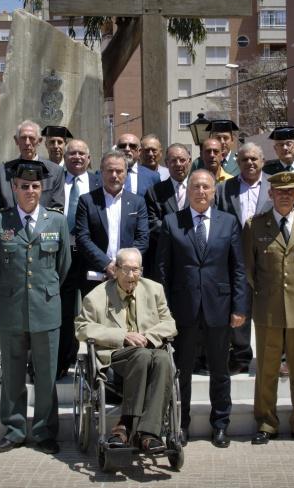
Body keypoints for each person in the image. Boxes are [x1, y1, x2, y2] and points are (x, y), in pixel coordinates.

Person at [0, 161, 72, 455]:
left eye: (35, 186)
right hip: (11, 308)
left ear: (42, 188)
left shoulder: (56, 221)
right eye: (24, 186)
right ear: (14, 188)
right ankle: (14, 429)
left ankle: (45, 431)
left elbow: (63, 265)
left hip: (46, 308)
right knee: (12, 373)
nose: (30, 191)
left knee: (46, 375)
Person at [156, 169, 248, 448]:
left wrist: (239, 307)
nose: (201, 191)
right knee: (181, 372)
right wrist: (164, 311)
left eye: (206, 187)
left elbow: (238, 269)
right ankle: (179, 425)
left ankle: (220, 425)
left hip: (219, 309)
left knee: (220, 372)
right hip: (183, 310)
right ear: (188, 191)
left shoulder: (228, 222)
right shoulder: (172, 222)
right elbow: (162, 271)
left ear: (213, 191)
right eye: (196, 186)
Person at [242, 171, 294, 446]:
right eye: (280, 192)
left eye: (291, 192)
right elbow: (249, 269)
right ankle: (266, 422)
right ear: (271, 194)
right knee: (267, 368)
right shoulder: (255, 226)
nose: (285, 196)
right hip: (268, 307)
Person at [75, 248, 178, 453]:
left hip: (148, 350)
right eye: (126, 270)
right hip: (115, 357)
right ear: (115, 269)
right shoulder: (96, 296)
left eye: (136, 270)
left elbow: (170, 323)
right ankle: (128, 424)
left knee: (164, 359)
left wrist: (148, 337)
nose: (131, 276)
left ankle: (148, 432)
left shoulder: (154, 290)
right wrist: (122, 336)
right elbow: (82, 328)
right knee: (141, 355)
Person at [216, 142, 272, 375]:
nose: (249, 163)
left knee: (270, 306)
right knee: (240, 306)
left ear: (262, 161)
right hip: (236, 256)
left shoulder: (274, 185)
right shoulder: (224, 189)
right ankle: (240, 355)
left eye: (254, 159)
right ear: (237, 163)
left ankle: (272, 354)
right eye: (244, 159)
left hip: (268, 255)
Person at [56, 138, 101, 379]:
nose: (77, 157)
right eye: (72, 153)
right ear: (64, 157)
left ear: (89, 158)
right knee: (63, 312)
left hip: (91, 255)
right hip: (61, 255)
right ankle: (63, 360)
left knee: (94, 311)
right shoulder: (54, 181)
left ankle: (96, 364)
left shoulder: (98, 181)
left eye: (82, 153)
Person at [74, 150, 150, 293]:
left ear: (126, 173)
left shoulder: (137, 202)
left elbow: (143, 238)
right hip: (96, 277)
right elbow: (83, 238)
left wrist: (125, 266)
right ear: (102, 172)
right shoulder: (87, 201)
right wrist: (107, 264)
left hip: (129, 276)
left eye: (119, 171)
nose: (114, 175)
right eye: (110, 171)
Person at [0, 120, 66, 210]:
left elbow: (57, 208)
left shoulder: (55, 172)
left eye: (31, 138)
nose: (27, 143)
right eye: (23, 138)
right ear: (16, 140)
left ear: (39, 141)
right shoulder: (3, 172)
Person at [144, 143, 192, 279]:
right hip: (165, 257)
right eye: (173, 160)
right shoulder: (155, 191)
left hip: (194, 257)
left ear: (189, 161)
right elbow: (152, 222)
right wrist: (178, 236)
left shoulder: (199, 188)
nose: (178, 164)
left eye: (182, 160)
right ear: (166, 163)